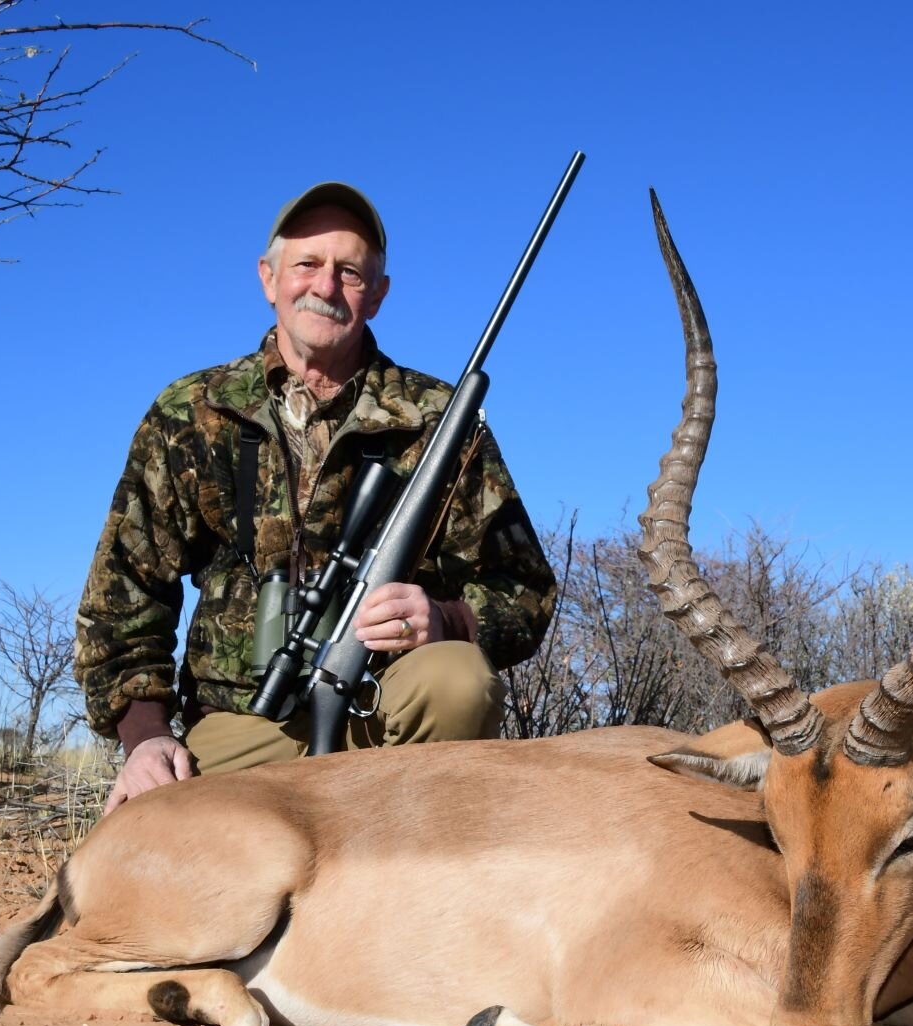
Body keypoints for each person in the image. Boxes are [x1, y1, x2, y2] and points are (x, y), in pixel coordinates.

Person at [76, 182, 556, 814]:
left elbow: (526, 591)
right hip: (242, 720)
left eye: (350, 272)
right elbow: (124, 598)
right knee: (150, 845)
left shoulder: (441, 418)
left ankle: (409, 881)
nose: (325, 287)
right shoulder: (192, 410)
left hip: (386, 714)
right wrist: (145, 737)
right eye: (307, 264)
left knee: (457, 681)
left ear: (378, 294)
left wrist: (447, 621)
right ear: (268, 278)